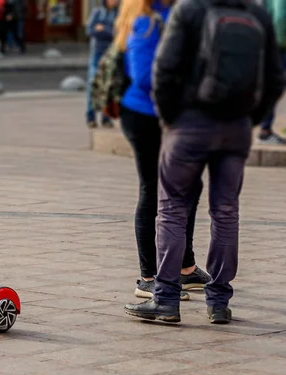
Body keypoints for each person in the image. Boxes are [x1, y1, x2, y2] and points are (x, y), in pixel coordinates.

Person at [125, 0, 284, 324]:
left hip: (190, 125)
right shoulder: (257, 14)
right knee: (226, 213)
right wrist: (249, 118)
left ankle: (166, 299)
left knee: (172, 209)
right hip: (235, 127)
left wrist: (172, 119)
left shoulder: (189, 9)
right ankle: (219, 302)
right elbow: (275, 78)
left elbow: (164, 70)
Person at [116, 0, 212, 301]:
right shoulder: (145, 21)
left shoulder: (177, 14)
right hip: (146, 116)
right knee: (153, 188)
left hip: (176, 115)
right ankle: (149, 276)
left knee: (190, 187)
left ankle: (185, 268)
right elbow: (145, 77)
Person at [86, 0, 118, 128]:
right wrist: (108, 31)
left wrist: (103, 29)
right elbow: (90, 31)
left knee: (108, 85)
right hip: (97, 53)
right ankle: (90, 116)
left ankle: (106, 118)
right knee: (93, 84)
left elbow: (117, 34)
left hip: (110, 53)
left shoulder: (118, 14)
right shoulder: (97, 12)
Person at [257, 0, 286, 144]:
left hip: (271, 41)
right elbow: (281, 16)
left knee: (270, 85)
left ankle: (264, 128)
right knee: (274, 86)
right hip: (280, 45)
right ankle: (265, 129)